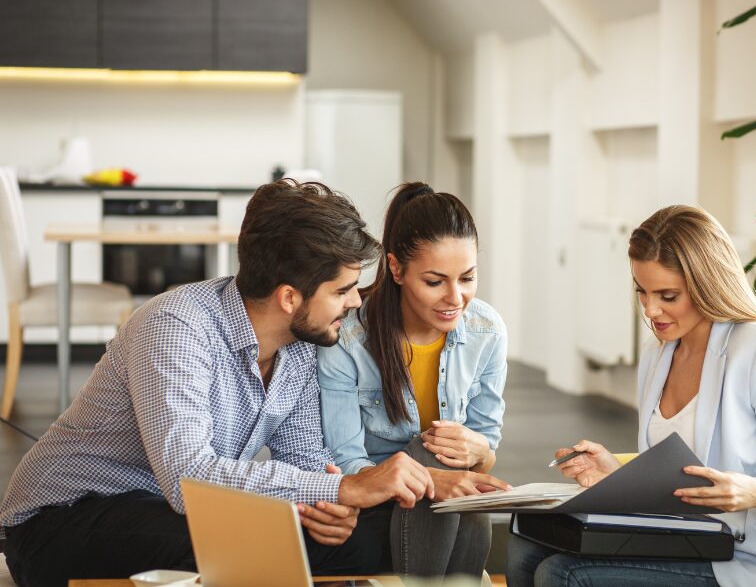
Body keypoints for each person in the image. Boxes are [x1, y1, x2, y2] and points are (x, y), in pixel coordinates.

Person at [0, 180, 436, 587]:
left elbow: (305, 458)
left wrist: (329, 507)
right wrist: (343, 488)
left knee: (359, 539)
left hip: (171, 509)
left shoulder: (302, 345)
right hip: (60, 520)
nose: (355, 301)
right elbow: (188, 478)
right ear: (289, 297)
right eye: (342, 290)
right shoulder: (175, 326)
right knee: (248, 540)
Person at [507, 205, 756, 587]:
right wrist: (618, 474)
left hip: (747, 560)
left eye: (667, 295)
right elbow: (674, 480)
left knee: (563, 574)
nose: (650, 309)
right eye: (641, 291)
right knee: (523, 547)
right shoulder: (658, 352)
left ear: (706, 284)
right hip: (683, 541)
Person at [318, 182, 509, 581]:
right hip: (377, 499)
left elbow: (485, 453)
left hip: (449, 507)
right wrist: (429, 478)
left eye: (468, 278)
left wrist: (478, 450)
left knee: (452, 467)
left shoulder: (487, 331)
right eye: (436, 282)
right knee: (426, 453)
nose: (455, 298)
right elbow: (346, 462)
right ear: (397, 268)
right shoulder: (349, 340)